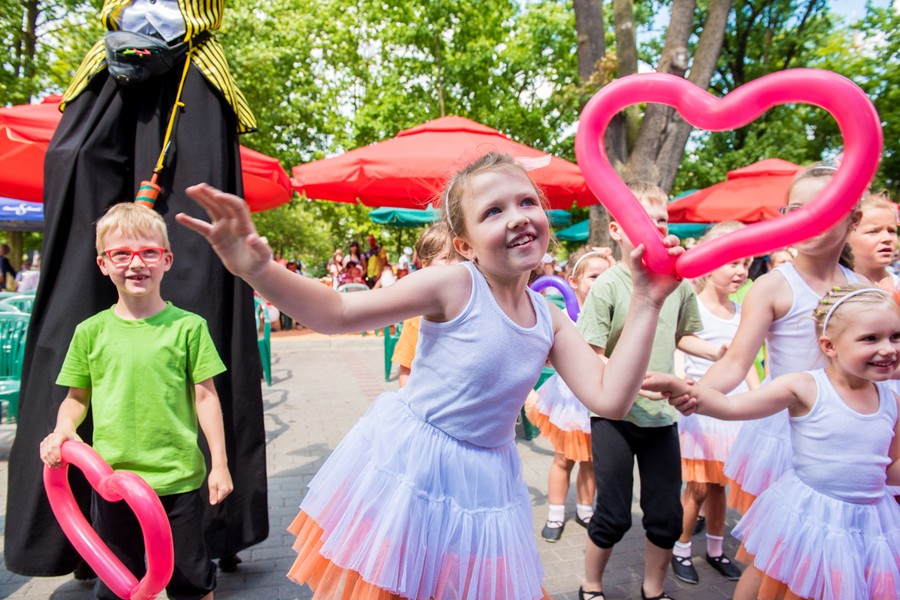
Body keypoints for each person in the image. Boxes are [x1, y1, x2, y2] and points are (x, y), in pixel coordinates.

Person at [177, 152, 686, 600]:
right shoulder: (455, 284)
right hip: (415, 467)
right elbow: (336, 313)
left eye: (527, 202)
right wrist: (257, 270)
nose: (517, 218)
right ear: (464, 245)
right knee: (396, 585)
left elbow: (611, 398)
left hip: (489, 482)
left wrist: (646, 300)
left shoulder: (550, 318)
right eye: (493, 211)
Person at [5, 0, 268, 578]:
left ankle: (208, 523)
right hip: (115, 61)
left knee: (195, 264)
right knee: (74, 177)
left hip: (190, 66)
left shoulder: (201, 65)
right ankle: (75, 530)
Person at [645, 285, 900, 600]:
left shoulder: (891, 399)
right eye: (870, 339)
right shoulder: (805, 387)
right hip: (811, 515)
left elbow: (890, 468)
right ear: (829, 345)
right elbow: (734, 406)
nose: (888, 348)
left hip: (869, 522)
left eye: (896, 336)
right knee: (770, 576)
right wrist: (685, 391)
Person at [39, 204, 231, 599]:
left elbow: (206, 396)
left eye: (148, 252)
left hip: (177, 480)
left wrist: (221, 464)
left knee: (191, 582)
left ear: (167, 259)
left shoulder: (188, 328)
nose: (135, 263)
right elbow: (76, 399)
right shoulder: (90, 332)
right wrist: (64, 430)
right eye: (121, 254)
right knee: (117, 583)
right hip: (112, 483)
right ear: (103, 264)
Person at [577, 181, 725, 600]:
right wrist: (629, 380)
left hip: (662, 418)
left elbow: (684, 336)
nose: (655, 228)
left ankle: (654, 590)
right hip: (615, 417)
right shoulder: (608, 285)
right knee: (612, 514)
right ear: (617, 230)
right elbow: (590, 351)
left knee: (664, 513)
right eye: (642, 220)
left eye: (661, 220)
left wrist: (717, 350)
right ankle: (591, 586)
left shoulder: (677, 284)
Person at [699, 163, 861, 515]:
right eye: (797, 211)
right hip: (787, 429)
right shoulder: (773, 285)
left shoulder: (861, 289)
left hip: (845, 434)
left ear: (853, 218)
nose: (809, 220)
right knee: (777, 545)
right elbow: (736, 361)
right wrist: (697, 394)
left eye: (825, 209)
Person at [670, 222, 758, 586]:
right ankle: (681, 546)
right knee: (699, 485)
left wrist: (759, 397)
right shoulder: (693, 305)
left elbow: (748, 359)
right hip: (700, 408)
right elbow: (680, 344)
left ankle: (718, 548)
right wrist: (680, 387)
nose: (741, 271)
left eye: (746, 264)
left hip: (733, 410)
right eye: (733, 263)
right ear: (709, 263)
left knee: (721, 484)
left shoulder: (742, 311)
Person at [526, 246, 614, 543]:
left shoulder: (609, 316)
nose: (601, 283)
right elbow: (536, 354)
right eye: (594, 276)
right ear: (573, 281)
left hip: (595, 400)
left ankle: (586, 509)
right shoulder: (562, 315)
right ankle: (554, 512)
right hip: (567, 400)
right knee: (564, 459)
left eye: (606, 276)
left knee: (591, 460)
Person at [391, 222, 461, 388]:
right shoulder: (418, 317)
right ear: (426, 264)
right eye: (445, 258)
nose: (455, 264)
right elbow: (406, 370)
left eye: (460, 257)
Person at [848, 191, 898, 291]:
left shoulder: (897, 286)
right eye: (873, 231)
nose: (887, 238)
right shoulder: (836, 286)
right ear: (845, 236)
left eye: (891, 231)